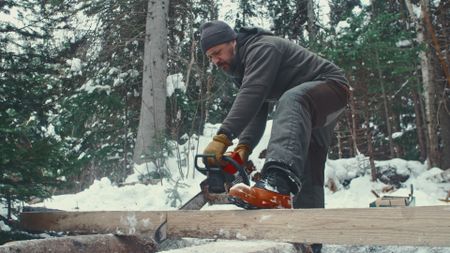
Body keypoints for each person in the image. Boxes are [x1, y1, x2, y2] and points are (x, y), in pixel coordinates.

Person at [200, 20, 349, 212]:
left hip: (332, 87)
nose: (215, 61)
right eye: (210, 57)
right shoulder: (243, 70)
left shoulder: (262, 47)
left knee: (291, 100)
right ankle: (310, 234)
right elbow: (256, 111)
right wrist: (244, 148)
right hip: (310, 105)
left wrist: (224, 136)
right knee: (310, 162)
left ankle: (276, 185)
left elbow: (252, 93)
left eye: (218, 53)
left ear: (233, 42)